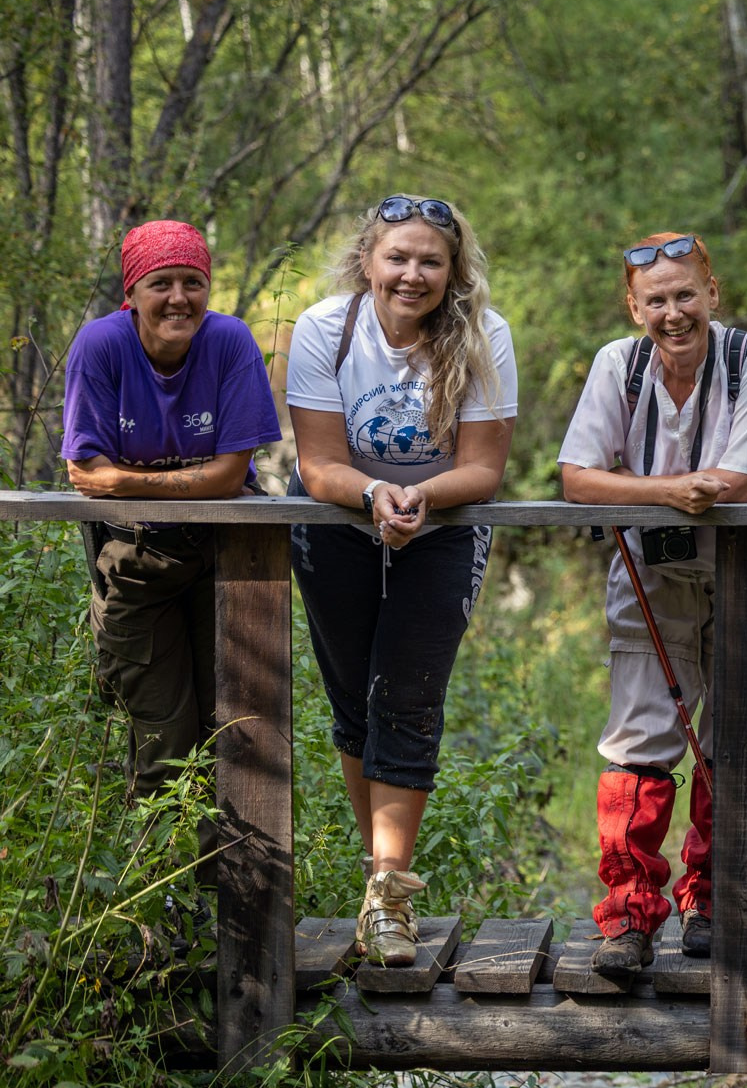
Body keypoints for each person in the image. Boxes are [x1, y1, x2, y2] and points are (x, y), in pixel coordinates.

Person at [285, 194, 517, 966]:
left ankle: (389, 894)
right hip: (338, 519)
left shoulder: (484, 334)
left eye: (430, 260)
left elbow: (483, 467)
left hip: (443, 523)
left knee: (409, 697)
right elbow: (316, 463)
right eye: (398, 257)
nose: (412, 274)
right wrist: (372, 494)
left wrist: (418, 496)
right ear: (368, 262)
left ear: (453, 272)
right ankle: (374, 871)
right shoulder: (326, 327)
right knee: (355, 698)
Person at [559, 232, 747, 975]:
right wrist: (664, 490)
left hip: (746, 574)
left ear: (712, 293)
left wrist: (641, 487)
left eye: (685, 294)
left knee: (735, 737)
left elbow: (745, 480)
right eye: (655, 300)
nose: (673, 312)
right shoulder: (616, 366)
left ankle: (714, 901)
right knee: (639, 743)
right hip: (648, 575)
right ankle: (627, 917)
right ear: (634, 307)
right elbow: (576, 478)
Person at [62, 219, 283, 879]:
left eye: (194, 282)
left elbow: (228, 473)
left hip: (226, 562)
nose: (179, 298)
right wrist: (177, 483)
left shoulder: (229, 341)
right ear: (133, 293)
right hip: (133, 564)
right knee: (164, 744)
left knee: (240, 736)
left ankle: (239, 913)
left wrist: (128, 480)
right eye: (162, 283)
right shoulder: (100, 346)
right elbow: (83, 470)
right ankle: (164, 917)